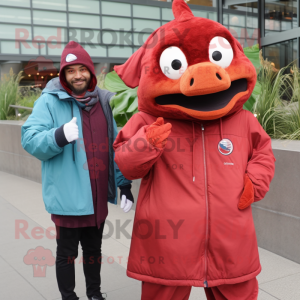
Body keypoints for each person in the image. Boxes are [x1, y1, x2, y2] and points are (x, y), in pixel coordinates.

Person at [112, 1, 275, 299]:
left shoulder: (242, 120)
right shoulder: (148, 119)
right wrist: (146, 142)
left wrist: (255, 181)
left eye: (216, 57)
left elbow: (263, 151)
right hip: (166, 240)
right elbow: (125, 163)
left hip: (231, 238)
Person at [21, 41, 134, 300]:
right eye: (71, 71)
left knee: (94, 251)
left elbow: (115, 146)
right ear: (63, 75)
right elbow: (29, 138)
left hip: (96, 198)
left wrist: (123, 184)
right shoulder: (49, 101)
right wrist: (58, 135)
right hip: (67, 198)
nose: (77, 75)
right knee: (67, 253)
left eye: (82, 69)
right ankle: (69, 297)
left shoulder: (103, 102)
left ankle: (95, 294)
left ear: (91, 72)